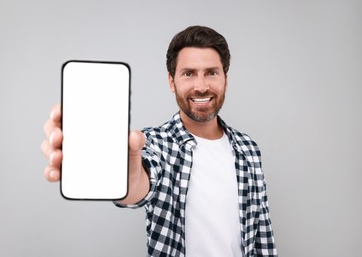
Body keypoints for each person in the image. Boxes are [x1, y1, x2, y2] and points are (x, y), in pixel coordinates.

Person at [41, 25, 277, 257]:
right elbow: (138, 185)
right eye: (189, 73)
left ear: (225, 78)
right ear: (171, 81)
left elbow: (262, 235)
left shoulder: (248, 149)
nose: (201, 86)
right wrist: (125, 173)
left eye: (211, 73)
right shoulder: (154, 143)